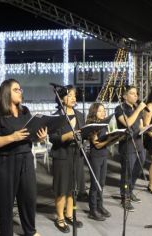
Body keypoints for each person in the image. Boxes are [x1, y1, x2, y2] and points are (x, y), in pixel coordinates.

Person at [0, 78, 45, 236]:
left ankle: (30, 231)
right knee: (6, 204)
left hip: (25, 159)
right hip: (4, 162)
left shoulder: (25, 111)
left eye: (20, 89)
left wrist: (40, 137)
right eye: (16, 89)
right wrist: (12, 137)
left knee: (29, 199)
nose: (20, 92)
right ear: (6, 92)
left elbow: (29, 135)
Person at [49, 85, 85, 233]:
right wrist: (67, 136)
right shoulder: (56, 116)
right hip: (62, 155)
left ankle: (69, 214)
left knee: (73, 188)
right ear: (62, 98)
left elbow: (83, 133)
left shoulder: (79, 114)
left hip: (76, 155)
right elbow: (52, 138)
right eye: (69, 95)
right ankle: (60, 218)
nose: (73, 98)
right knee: (62, 188)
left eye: (74, 95)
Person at [115, 85, 146, 212]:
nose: (136, 96)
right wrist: (138, 109)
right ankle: (125, 197)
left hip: (139, 144)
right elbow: (128, 123)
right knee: (127, 173)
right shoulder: (120, 108)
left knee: (137, 170)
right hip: (127, 145)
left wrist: (149, 128)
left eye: (136, 93)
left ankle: (130, 191)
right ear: (125, 96)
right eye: (132, 93)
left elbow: (141, 126)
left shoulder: (136, 108)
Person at [86, 102, 117, 221]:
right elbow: (97, 145)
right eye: (99, 111)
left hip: (104, 156)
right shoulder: (92, 126)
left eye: (103, 110)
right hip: (95, 156)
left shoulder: (104, 124)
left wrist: (115, 137)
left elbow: (107, 141)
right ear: (94, 112)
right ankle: (92, 210)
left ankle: (100, 205)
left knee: (102, 183)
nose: (103, 112)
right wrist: (111, 139)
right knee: (95, 184)